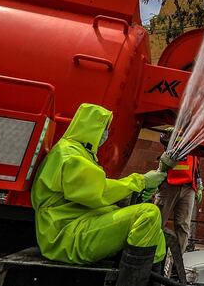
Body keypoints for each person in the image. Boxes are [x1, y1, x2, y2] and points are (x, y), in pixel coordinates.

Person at [31, 103, 168, 281]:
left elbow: (94, 188)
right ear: (92, 127)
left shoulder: (78, 153)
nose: (106, 134)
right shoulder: (71, 156)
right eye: (104, 128)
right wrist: (140, 181)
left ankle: (152, 278)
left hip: (73, 225)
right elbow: (98, 192)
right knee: (148, 214)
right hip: (65, 236)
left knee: (154, 229)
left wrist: (136, 190)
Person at [155, 147, 203, 253]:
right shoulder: (176, 136)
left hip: (189, 187)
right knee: (157, 222)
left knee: (183, 225)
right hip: (169, 184)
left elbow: (196, 166)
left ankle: (178, 261)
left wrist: (199, 186)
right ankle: (151, 256)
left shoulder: (194, 141)